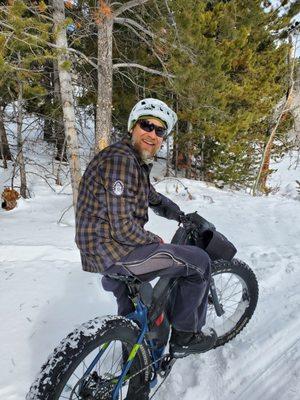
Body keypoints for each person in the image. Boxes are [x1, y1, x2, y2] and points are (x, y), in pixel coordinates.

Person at [75, 98, 216, 358]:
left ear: (163, 137)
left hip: (101, 251)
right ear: (133, 127)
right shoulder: (121, 161)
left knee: (134, 312)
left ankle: (137, 360)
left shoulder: (132, 160)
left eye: (159, 130)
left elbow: (151, 196)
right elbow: (123, 228)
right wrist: (155, 239)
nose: (152, 134)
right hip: (114, 250)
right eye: (146, 125)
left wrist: (178, 214)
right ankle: (186, 336)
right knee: (199, 262)